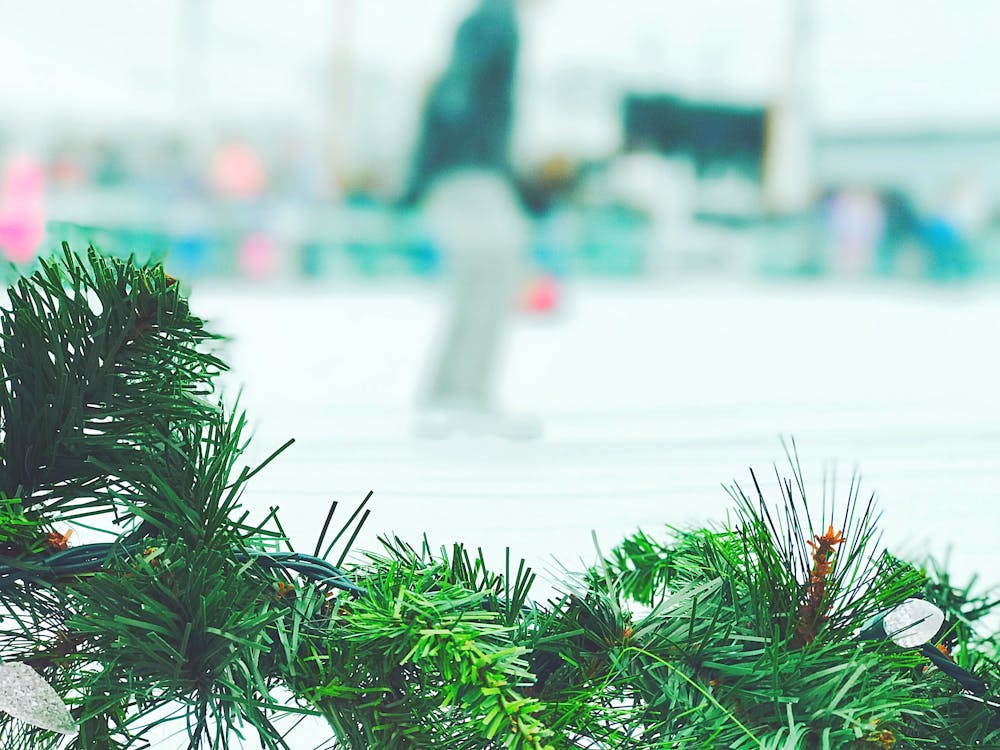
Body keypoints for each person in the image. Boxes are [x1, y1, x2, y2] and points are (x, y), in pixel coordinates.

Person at [409, 0, 540, 440]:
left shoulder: (492, 19)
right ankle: (460, 396)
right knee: (493, 271)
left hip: (466, 169)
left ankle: (453, 393)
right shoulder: (496, 20)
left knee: (484, 276)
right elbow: (459, 89)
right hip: (470, 172)